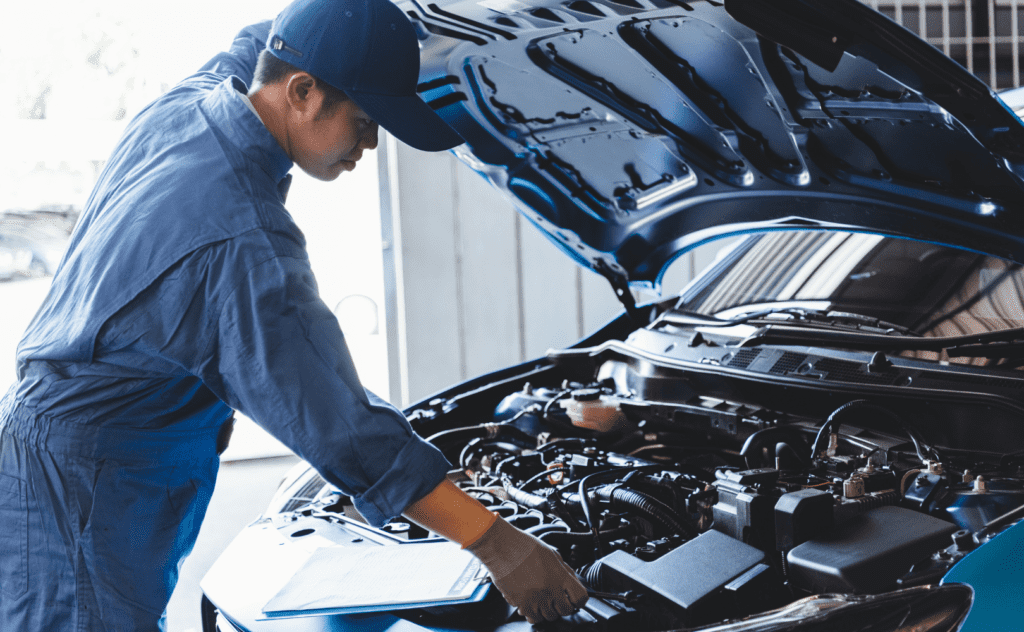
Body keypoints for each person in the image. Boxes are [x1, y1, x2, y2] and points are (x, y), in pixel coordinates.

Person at [0, 0, 588, 629]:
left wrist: (391, 26)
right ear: (303, 92)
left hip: (86, 469)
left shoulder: (197, 104)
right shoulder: (238, 242)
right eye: (364, 121)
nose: (369, 143)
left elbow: (259, 40)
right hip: (78, 494)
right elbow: (342, 425)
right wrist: (499, 545)